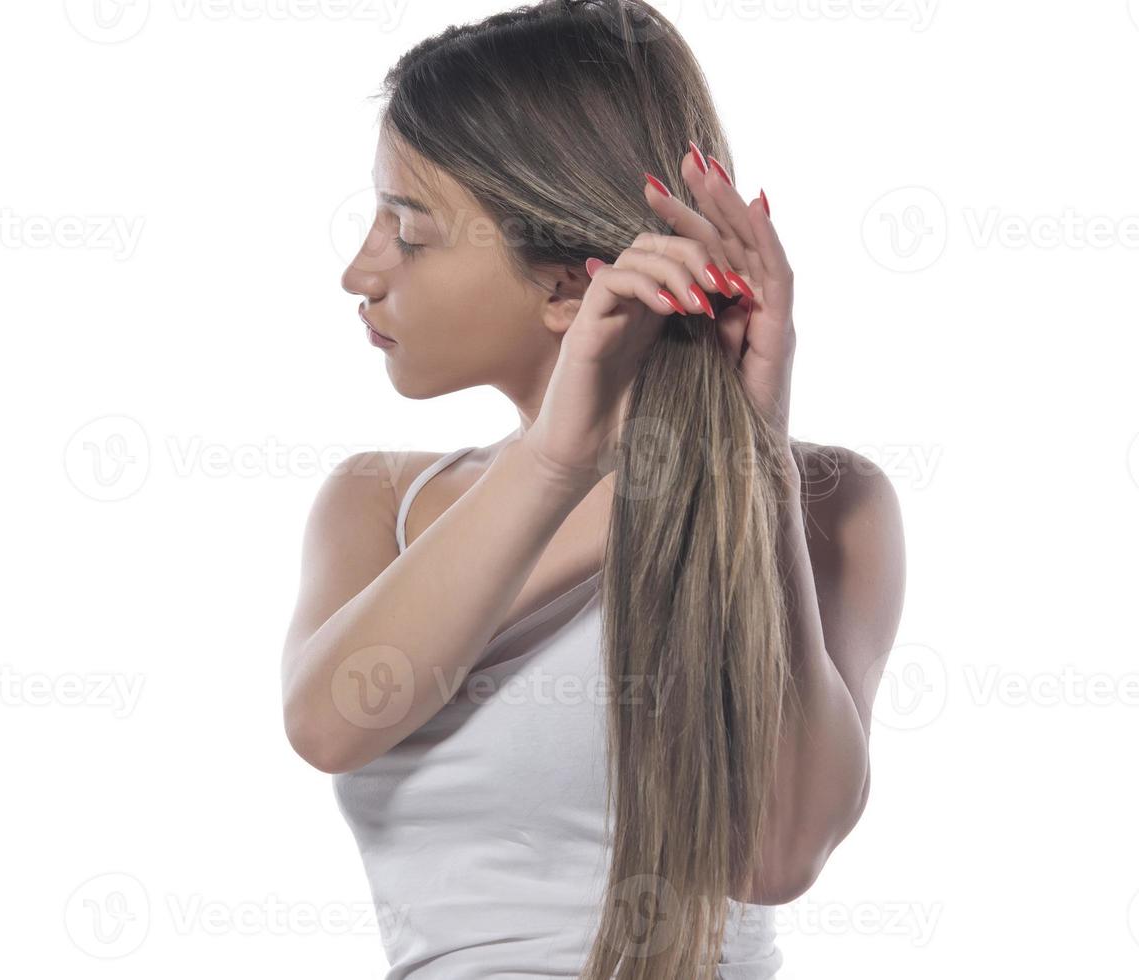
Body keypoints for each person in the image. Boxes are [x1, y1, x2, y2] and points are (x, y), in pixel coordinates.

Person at [281, 2, 907, 977]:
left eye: (408, 233)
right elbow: (329, 719)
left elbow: (776, 851)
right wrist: (556, 468)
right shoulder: (379, 500)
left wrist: (747, 462)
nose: (358, 272)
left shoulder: (831, 503)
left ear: (569, 287)